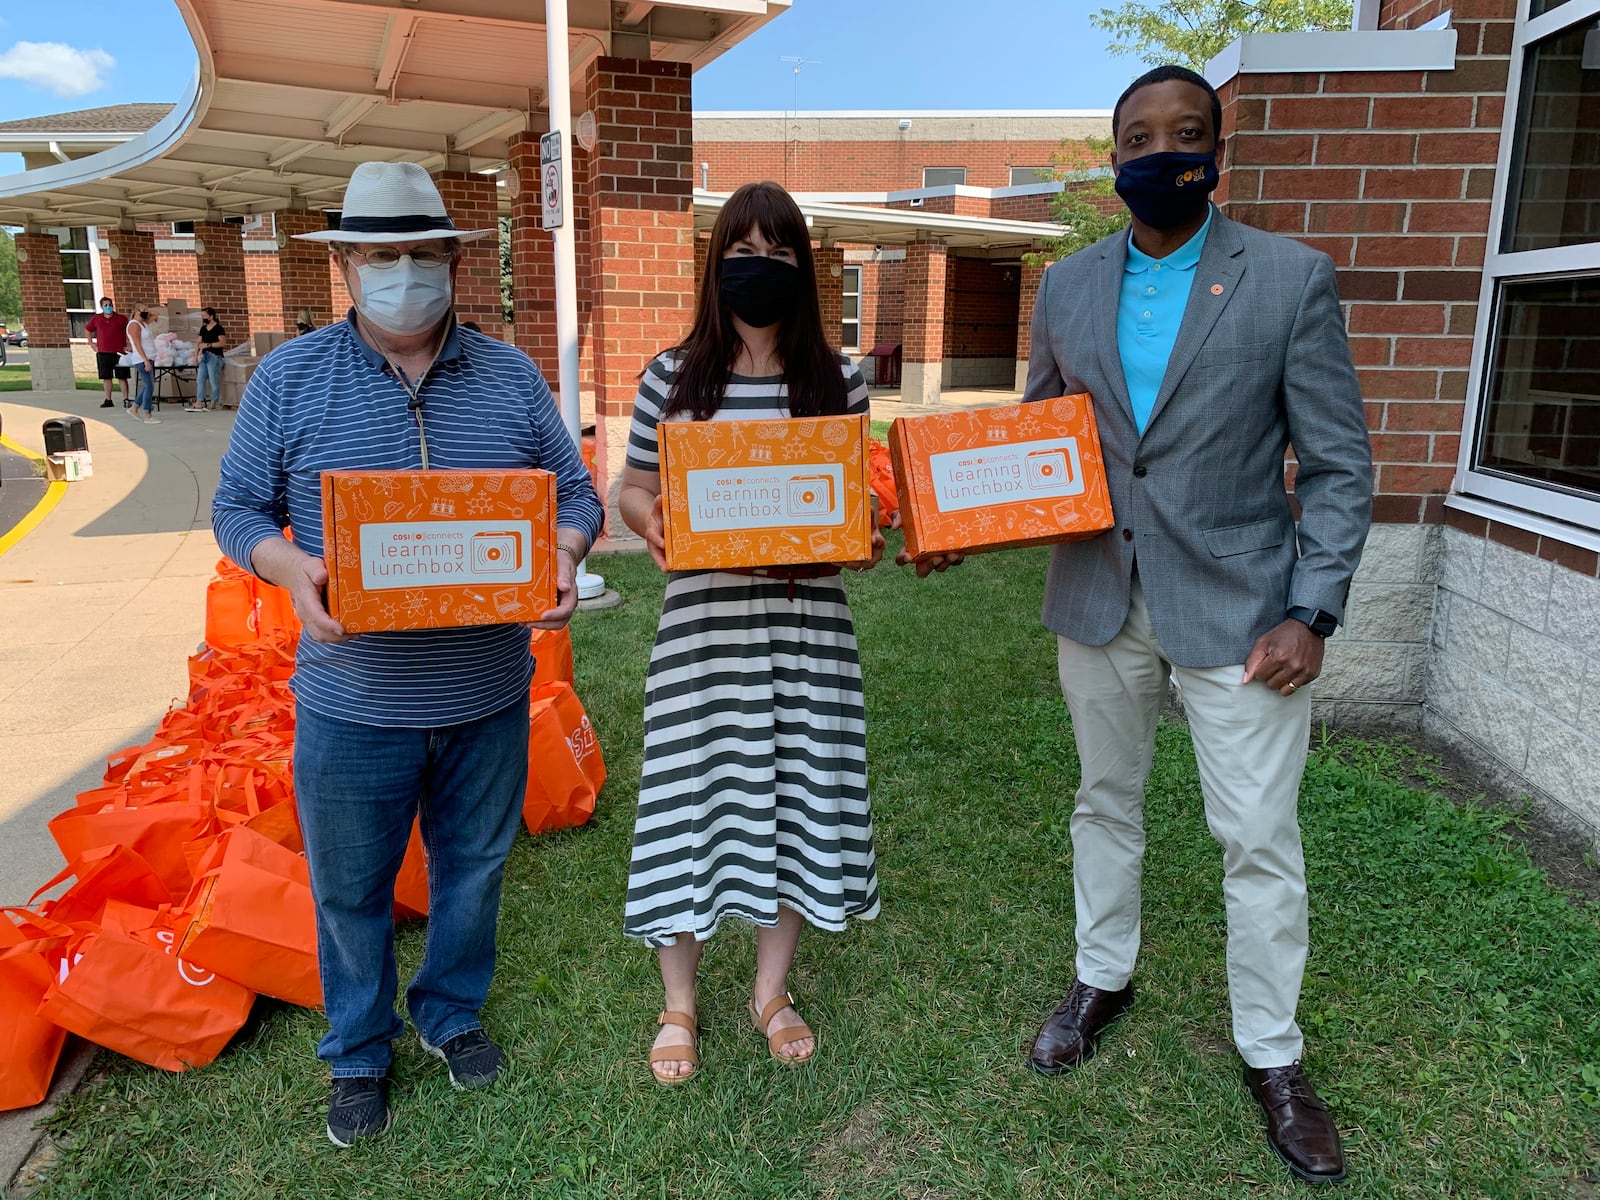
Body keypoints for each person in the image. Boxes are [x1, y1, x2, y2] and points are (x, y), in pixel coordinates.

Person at [1019, 66, 1372, 1186]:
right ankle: (1100, 976)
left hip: (1243, 609)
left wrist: (1311, 609)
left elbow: (1340, 463)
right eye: (1137, 134)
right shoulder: (1066, 286)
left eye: (1183, 132)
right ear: (1110, 151)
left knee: (1257, 840)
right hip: (1097, 594)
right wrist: (955, 508)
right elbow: (1037, 436)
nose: (1159, 149)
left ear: (1216, 150)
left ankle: (1272, 1054)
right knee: (1101, 802)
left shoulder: (1287, 278)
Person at [211, 161, 604, 1147]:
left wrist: (560, 547)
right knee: (351, 890)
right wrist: (289, 565)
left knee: (473, 867)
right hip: (352, 697)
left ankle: (450, 1010)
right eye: (379, 256)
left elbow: (576, 492)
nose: (402, 274)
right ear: (343, 264)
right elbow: (236, 507)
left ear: (453, 262)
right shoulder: (289, 378)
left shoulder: (510, 376)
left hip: (484, 689)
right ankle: (358, 1051)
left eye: (420, 255)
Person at [618, 181, 885, 1086]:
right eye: (743, 249)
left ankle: (771, 992)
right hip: (702, 633)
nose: (758, 267)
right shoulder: (673, 375)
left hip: (807, 632)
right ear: (715, 261)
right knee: (689, 804)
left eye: (778, 252)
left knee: (795, 799)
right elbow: (632, 485)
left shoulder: (838, 379)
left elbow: (854, 505)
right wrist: (649, 517)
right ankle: (679, 1003)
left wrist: (867, 527)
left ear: (803, 269)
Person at [85, 297, 131, 409]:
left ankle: (126, 399)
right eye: (105, 305)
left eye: (110, 305)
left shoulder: (121, 319)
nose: (108, 307)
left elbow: (130, 330)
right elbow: (88, 329)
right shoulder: (97, 318)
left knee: (122, 376)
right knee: (106, 377)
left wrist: (129, 345)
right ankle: (108, 399)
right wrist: (91, 343)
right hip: (103, 352)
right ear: (101, 307)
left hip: (119, 352)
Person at [124, 305, 158, 424]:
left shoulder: (143, 323)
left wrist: (147, 311)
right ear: (135, 311)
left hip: (150, 356)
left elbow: (156, 314)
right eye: (141, 310)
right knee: (149, 386)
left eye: (145, 309)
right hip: (142, 358)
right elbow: (137, 344)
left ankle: (134, 407)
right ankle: (147, 413)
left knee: (147, 386)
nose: (144, 312)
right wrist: (145, 360)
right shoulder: (134, 325)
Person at [190, 307, 226, 411]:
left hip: (215, 356)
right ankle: (199, 401)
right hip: (204, 356)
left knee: (213, 380)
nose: (203, 318)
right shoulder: (203, 328)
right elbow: (198, 343)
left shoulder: (218, 328)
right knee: (200, 379)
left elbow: (222, 343)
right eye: (202, 316)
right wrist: (195, 357)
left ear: (211, 316)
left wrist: (209, 345)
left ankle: (213, 402)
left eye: (205, 316)